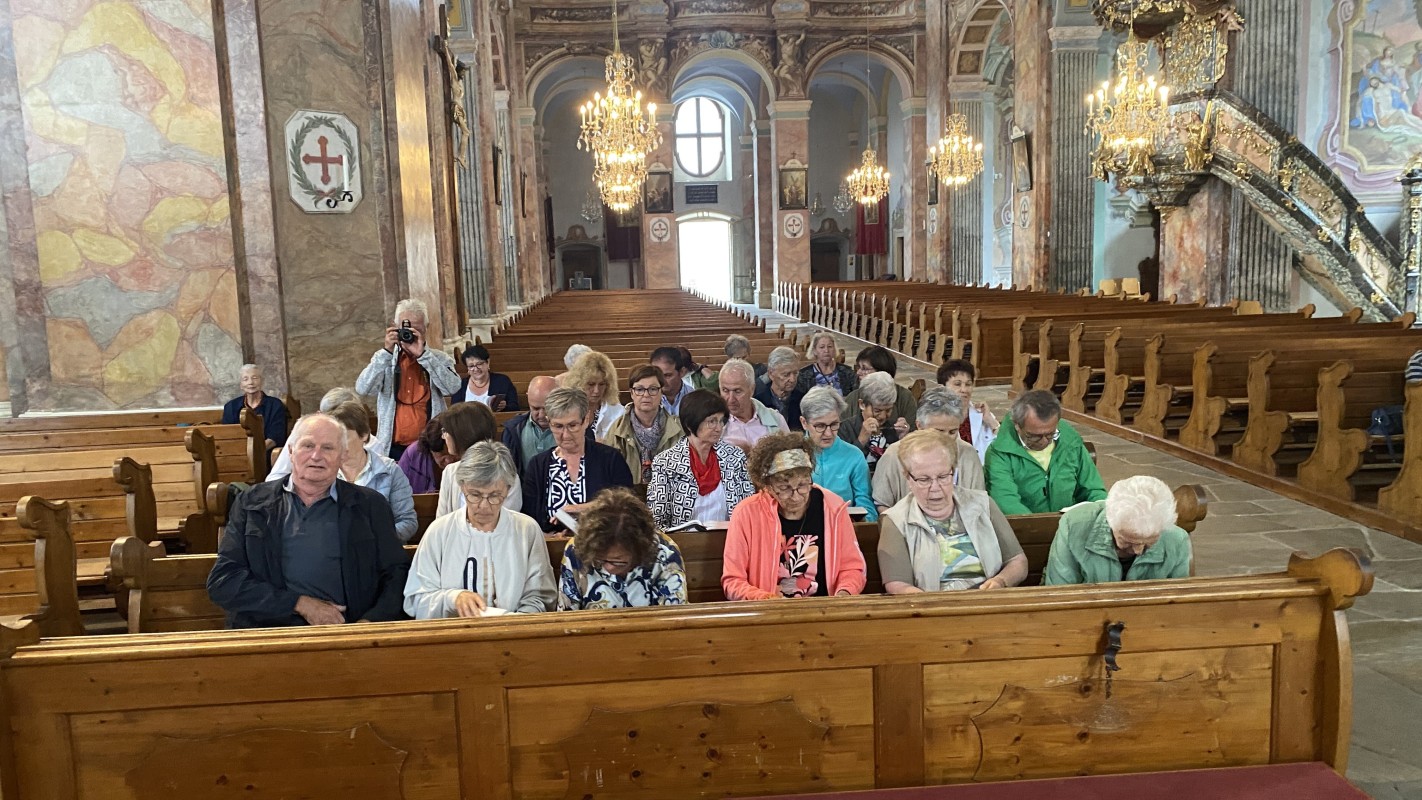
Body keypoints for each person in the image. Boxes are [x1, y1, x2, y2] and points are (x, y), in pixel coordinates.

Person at [207, 414, 411, 628]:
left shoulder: (370, 505)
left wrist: (368, 624)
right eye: (308, 446)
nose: (316, 456)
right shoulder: (252, 502)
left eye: (328, 448)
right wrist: (299, 604)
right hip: (268, 633)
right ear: (291, 451)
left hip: (347, 630)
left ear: (343, 456)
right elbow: (224, 581)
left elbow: (396, 574)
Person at [404, 441, 555, 617]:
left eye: (494, 495)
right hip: (455, 631)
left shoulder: (526, 530)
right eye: (475, 495)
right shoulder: (439, 532)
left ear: (508, 489)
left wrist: (516, 621)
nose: (484, 506)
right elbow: (417, 599)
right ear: (462, 487)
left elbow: (541, 596)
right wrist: (453, 598)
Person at [721, 433, 867, 600]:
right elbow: (733, 581)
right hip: (769, 610)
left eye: (802, 485)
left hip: (825, 609)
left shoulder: (833, 507)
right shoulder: (747, 513)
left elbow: (852, 568)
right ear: (767, 486)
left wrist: (844, 593)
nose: (796, 497)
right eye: (784, 488)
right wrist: (766, 600)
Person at [878, 429, 1026, 593]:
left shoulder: (983, 504)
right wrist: (928, 603)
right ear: (908, 478)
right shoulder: (895, 520)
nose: (935, 487)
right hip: (931, 606)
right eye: (924, 479)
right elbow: (897, 583)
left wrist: (1001, 581)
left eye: (943, 477)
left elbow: (1017, 561)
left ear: (953, 471)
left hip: (988, 600)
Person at [268, 401, 418, 542]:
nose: (338, 443)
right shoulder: (322, 471)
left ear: (364, 435)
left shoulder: (389, 471)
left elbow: (408, 522)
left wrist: (373, 539)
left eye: (344, 436)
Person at [355, 298, 462, 459]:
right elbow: (363, 388)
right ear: (395, 327)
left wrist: (424, 356)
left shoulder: (438, 358)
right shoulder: (384, 359)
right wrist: (386, 353)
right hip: (393, 448)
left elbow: (452, 387)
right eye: (406, 329)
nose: (410, 334)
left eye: (416, 329)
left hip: (431, 447)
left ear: (426, 328)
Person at [522, 387, 634, 532]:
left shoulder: (610, 459)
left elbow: (627, 505)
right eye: (558, 426)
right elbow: (529, 519)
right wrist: (548, 538)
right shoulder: (538, 465)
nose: (566, 435)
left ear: (586, 420)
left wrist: (580, 509)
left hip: (603, 541)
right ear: (549, 422)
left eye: (572, 425)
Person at [1044, 476, 1192, 585]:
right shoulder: (1073, 526)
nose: (1138, 551)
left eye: (1149, 543)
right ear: (1110, 522)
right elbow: (1059, 592)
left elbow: (1179, 599)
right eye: (1128, 542)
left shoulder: (1177, 539)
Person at [558, 487, 688, 610]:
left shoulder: (665, 552)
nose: (608, 568)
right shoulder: (577, 549)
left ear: (639, 551)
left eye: (618, 562)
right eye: (599, 560)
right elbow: (566, 615)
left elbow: (675, 617)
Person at [984, 389, 1107, 514]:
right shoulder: (999, 453)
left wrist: (1100, 512)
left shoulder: (1071, 443)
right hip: (1026, 524)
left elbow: (1094, 490)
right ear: (1017, 425)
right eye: (1034, 436)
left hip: (1071, 521)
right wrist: (1042, 524)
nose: (1044, 441)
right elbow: (1006, 501)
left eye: (1050, 434)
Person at [646, 390, 755, 529]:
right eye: (712, 421)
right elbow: (657, 521)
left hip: (730, 537)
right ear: (690, 424)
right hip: (683, 540)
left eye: (721, 421)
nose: (719, 428)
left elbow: (748, 510)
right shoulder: (665, 463)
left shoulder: (735, 457)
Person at [873, 388, 984, 513]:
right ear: (920, 426)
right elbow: (882, 504)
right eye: (939, 431)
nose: (946, 439)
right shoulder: (894, 454)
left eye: (952, 432)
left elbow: (978, 502)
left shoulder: (968, 454)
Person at [799, 387, 876, 521]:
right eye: (820, 426)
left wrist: (864, 521)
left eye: (834, 424)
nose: (829, 433)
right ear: (804, 423)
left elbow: (866, 506)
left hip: (845, 526)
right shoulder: (792, 454)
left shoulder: (854, 456)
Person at [436, 402, 522, 517]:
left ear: (462, 435)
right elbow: (442, 520)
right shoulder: (450, 471)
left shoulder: (508, 476)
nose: (443, 436)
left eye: (446, 431)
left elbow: (507, 521)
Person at [604, 364, 685, 484]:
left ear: (661, 392)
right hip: (628, 494)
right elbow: (607, 473)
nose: (646, 395)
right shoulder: (617, 430)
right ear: (632, 393)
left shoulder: (679, 428)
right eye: (640, 390)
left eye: (653, 389)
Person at [837, 372, 909, 474]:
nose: (883, 416)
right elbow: (841, 467)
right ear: (862, 404)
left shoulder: (894, 428)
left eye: (888, 410)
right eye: (877, 410)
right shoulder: (845, 429)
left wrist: (903, 440)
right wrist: (861, 440)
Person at [720, 358, 788, 452]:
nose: (731, 399)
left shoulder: (776, 419)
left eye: (737, 391)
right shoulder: (712, 424)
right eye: (725, 390)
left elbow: (790, 457)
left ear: (752, 389)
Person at [938, 359, 998, 462]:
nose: (964, 390)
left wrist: (991, 421)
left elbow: (1006, 446)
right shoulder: (936, 418)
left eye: (968, 384)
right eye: (957, 384)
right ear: (942, 388)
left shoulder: (983, 415)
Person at [843, 347, 915, 432]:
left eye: (864, 369)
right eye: (858, 367)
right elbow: (842, 431)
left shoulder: (905, 397)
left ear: (882, 371)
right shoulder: (853, 397)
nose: (858, 372)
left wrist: (906, 432)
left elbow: (914, 431)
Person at [500, 376, 558, 473]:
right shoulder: (513, 430)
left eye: (547, 408)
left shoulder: (572, 430)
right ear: (528, 399)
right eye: (535, 408)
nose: (542, 415)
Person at [222, 363, 288, 448]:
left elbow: (276, 437)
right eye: (245, 379)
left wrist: (256, 451)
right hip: (238, 452)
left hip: (266, 451)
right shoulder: (230, 407)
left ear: (262, 382)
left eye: (255, 378)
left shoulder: (275, 405)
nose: (250, 382)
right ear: (241, 385)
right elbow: (227, 436)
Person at [565, 350, 624, 441]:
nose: (596, 391)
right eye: (591, 384)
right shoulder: (566, 408)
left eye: (601, 384)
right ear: (579, 383)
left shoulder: (618, 411)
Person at [397, 418, 457, 494]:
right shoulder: (413, 454)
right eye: (442, 455)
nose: (449, 460)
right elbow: (397, 490)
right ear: (429, 449)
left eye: (452, 454)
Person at [457, 344, 520, 411]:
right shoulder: (460, 385)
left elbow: (515, 407)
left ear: (488, 362)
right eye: (471, 366)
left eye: (479, 364)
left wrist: (505, 407)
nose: (476, 369)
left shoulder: (502, 381)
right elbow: (454, 411)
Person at [795, 331, 856, 397]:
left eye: (830, 346)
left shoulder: (847, 372)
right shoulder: (804, 375)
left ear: (834, 349)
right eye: (822, 347)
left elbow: (856, 395)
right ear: (814, 350)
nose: (826, 350)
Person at [756, 345, 804, 429]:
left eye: (795, 373)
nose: (792, 379)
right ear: (771, 374)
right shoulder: (758, 402)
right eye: (786, 375)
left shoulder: (803, 400)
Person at [651, 346, 693, 415]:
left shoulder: (695, 398)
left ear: (682, 372)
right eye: (657, 375)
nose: (661, 381)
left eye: (667, 375)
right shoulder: (646, 398)